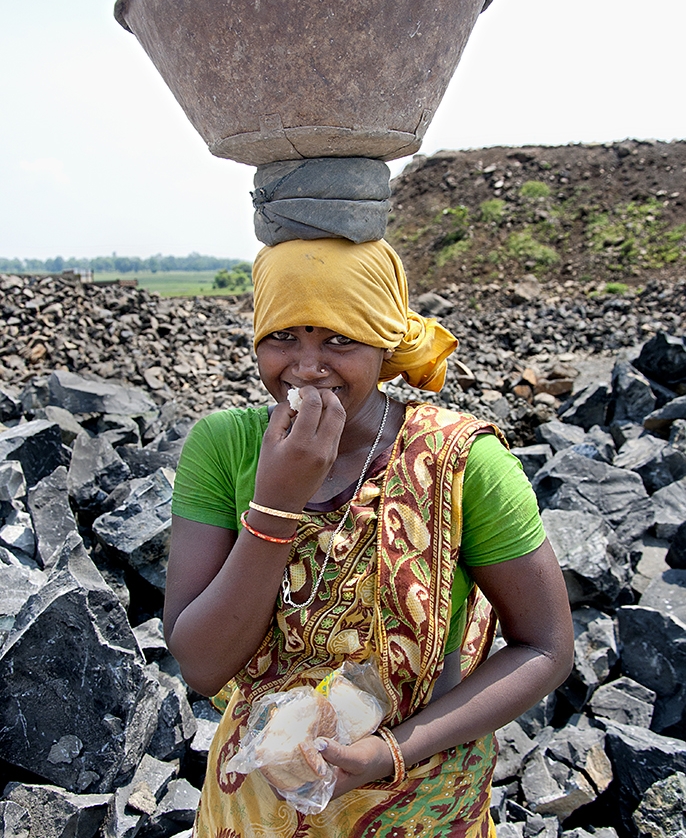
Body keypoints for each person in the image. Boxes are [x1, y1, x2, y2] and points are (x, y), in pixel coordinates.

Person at [164, 237, 574, 838]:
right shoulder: (225, 446)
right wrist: (277, 504)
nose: (307, 367)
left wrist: (391, 752)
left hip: (423, 801)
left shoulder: (463, 462)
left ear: (385, 342)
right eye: (283, 336)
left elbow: (545, 647)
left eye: (340, 339)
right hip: (254, 804)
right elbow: (201, 666)